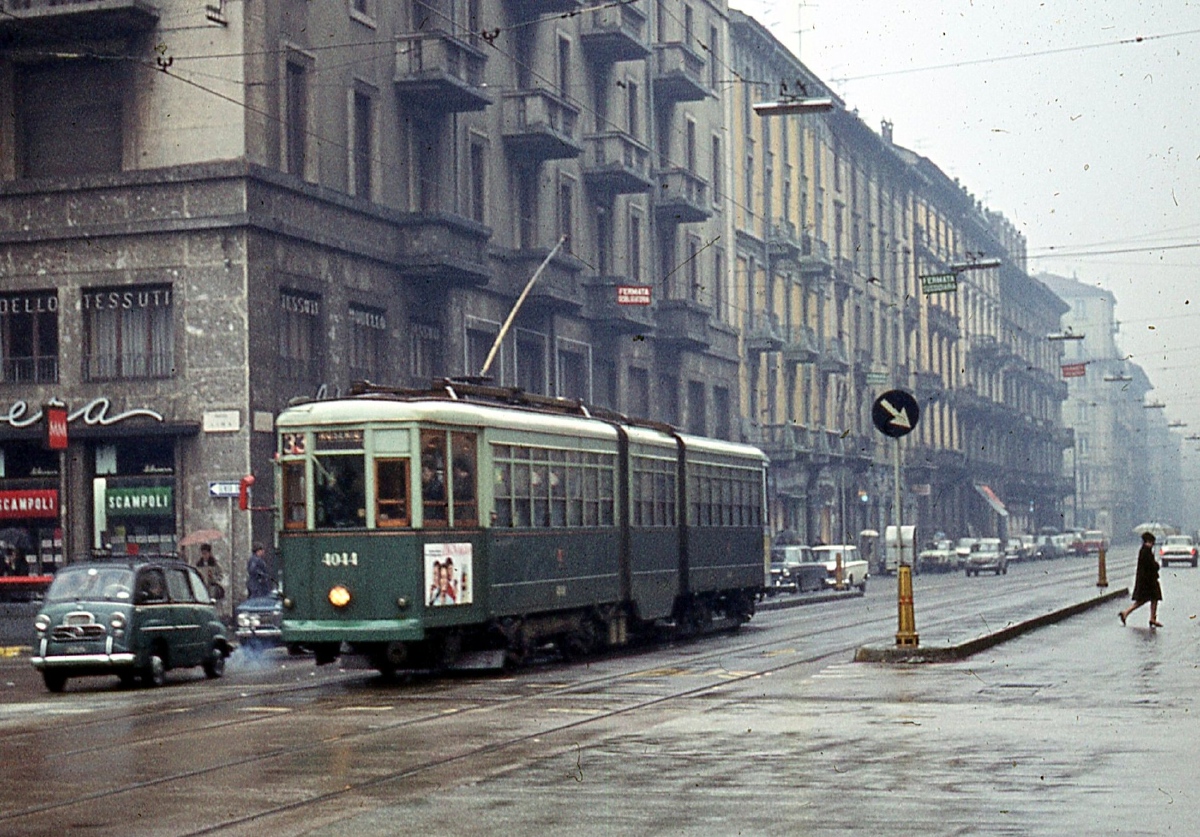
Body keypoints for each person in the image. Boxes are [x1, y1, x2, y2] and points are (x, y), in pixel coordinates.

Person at [1120, 531, 1163, 628]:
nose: (1152, 545)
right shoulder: (1146, 551)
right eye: (1152, 542)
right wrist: (1156, 565)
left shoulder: (1145, 550)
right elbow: (1150, 565)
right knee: (1144, 600)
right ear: (1148, 541)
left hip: (1147, 580)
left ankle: (1152, 618)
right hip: (1148, 581)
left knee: (1153, 598)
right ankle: (1126, 613)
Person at [422, 456, 446, 521]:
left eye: (424, 471)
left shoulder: (437, 487)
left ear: (432, 472)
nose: (422, 475)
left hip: (434, 519)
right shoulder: (424, 486)